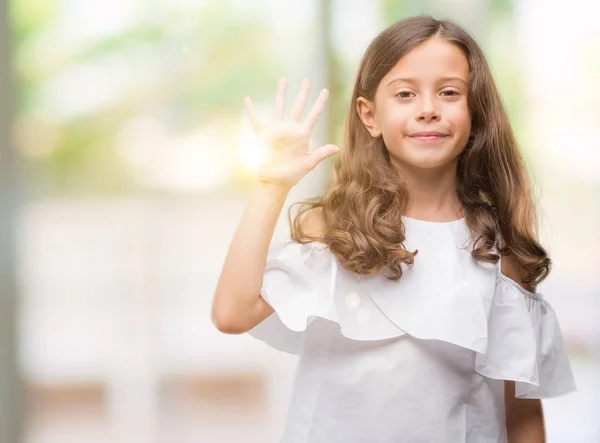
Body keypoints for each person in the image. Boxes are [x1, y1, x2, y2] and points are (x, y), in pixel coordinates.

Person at [211, 15, 576, 443]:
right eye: (405, 93)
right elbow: (232, 313)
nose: (427, 108)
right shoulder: (335, 229)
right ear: (370, 116)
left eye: (449, 92)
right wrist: (271, 184)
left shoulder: (497, 250)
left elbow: (522, 416)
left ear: (474, 110)